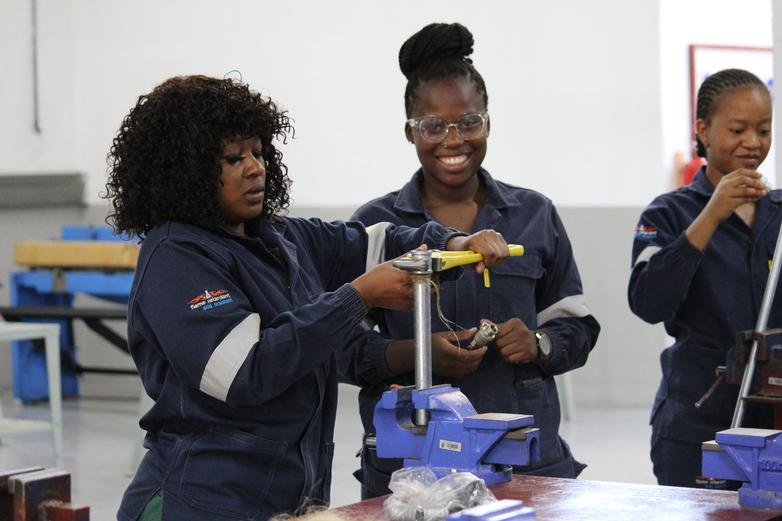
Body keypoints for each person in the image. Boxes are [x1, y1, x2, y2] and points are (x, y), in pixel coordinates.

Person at [104, 74, 511, 521]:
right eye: (233, 158)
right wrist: (357, 298)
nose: (255, 168)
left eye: (258, 152)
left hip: (286, 499)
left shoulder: (280, 237)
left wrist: (453, 245)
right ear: (185, 172)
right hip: (202, 502)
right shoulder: (176, 257)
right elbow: (244, 372)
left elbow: (377, 243)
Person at [338, 23, 601, 500]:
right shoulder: (374, 226)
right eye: (433, 126)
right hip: (412, 468)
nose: (452, 139)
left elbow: (578, 327)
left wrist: (538, 343)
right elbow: (337, 347)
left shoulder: (533, 214)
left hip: (521, 459)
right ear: (410, 132)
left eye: (468, 122)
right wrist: (415, 355)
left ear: (488, 124)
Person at [628, 68, 778, 488]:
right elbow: (647, 302)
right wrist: (711, 215)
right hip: (697, 420)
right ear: (703, 130)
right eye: (738, 129)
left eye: (764, 130)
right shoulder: (667, 214)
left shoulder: (779, 216)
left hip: (773, 417)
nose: (753, 142)